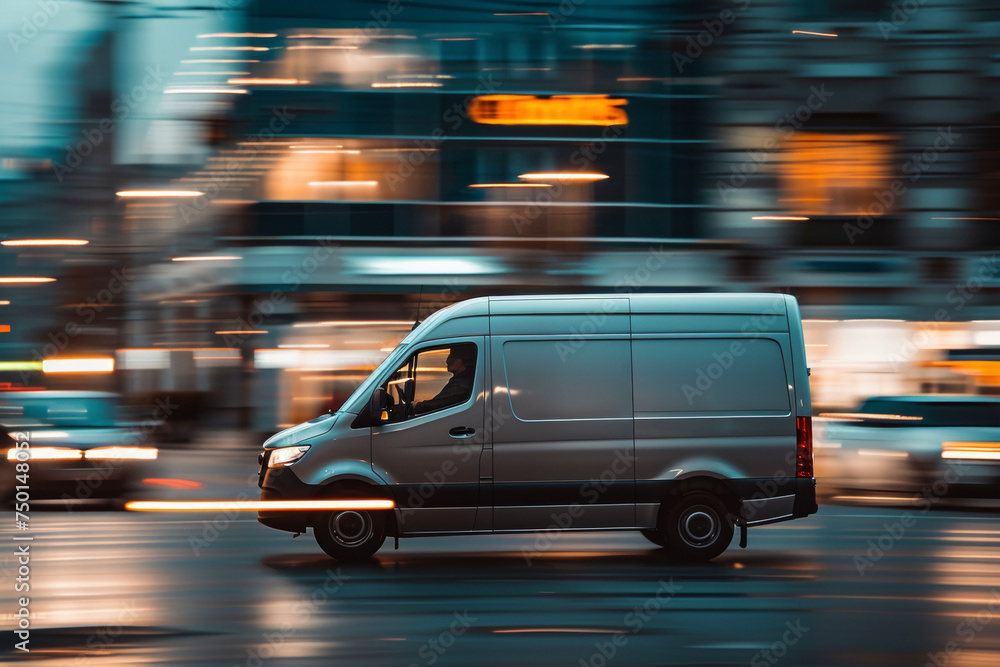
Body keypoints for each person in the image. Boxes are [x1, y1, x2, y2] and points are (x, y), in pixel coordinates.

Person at [413, 345, 475, 415]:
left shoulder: (461, 387)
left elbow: (434, 405)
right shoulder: (460, 380)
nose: (447, 361)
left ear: (464, 360)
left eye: (452, 357)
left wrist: (413, 407)